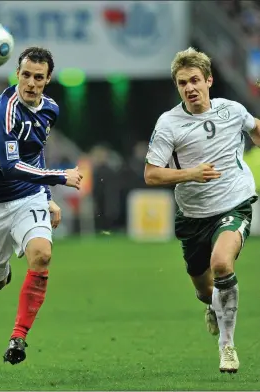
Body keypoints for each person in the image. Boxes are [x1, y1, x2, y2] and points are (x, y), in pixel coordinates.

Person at [144, 47, 260, 374]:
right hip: (193, 215)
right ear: (178, 87)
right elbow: (151, 174)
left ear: (208, 80)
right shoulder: (169, 124)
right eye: (183, 83)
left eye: (195, 80)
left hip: (234, 202)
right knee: (204, 289)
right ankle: (212, 305)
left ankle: (227, 347)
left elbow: (256, 132)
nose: (190, 88)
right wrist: (190, 174)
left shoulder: (232, 110)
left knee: (221, 263)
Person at [0, 47, 83, 365]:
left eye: (39, 77)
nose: (31, 82)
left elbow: (35, 153)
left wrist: (46, 197)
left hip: (27, 197)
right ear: (17, 74)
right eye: (26, 75)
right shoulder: (3, 110)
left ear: (48, 80)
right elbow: (10, 165)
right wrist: (60, 177)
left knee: (42, 255)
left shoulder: (51, 110)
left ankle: (18, 337)